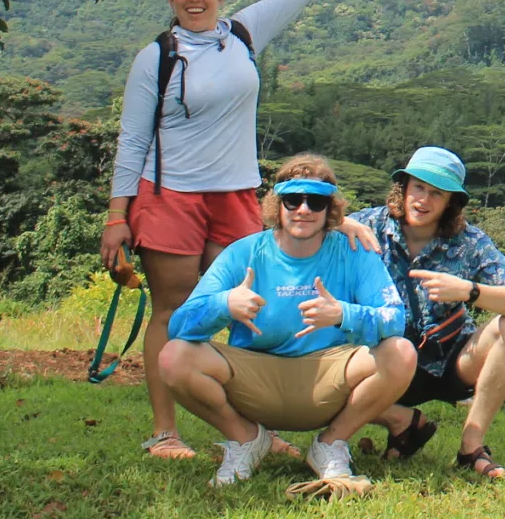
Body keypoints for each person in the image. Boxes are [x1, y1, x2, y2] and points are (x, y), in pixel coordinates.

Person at [100, 0, 386, 460]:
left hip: (234, 193)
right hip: (169, 195)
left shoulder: (243, 35)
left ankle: (254, 430)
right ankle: (165, 433)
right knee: (174, 310)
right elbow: (132, 140)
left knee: (249, 305)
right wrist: (117, 216)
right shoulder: (154, 58)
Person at [161, 155, 413, 491]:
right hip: (254, 378)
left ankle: (330, 446)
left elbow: (395, 319)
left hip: (329, 375)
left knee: (401, 352)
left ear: (331, 208)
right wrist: (225, 304)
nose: (303, 210)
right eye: (293, 200)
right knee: (174, 356)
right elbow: (179, 326)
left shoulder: (353, 251)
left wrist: (342, 315)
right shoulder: (244, 252)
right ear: (277, 205)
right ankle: (245, 440)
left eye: (317, 201)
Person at [357, 146, 505, 479]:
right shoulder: (368, 225)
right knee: (328, 350)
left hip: (451, 360)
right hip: (386, 360)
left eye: (436, 193)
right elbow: (308, 222)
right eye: (419, 188)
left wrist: (469, 291)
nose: (423, 200)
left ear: (450, 202)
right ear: (405, 188)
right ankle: (403, 423)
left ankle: (472, 446)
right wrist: (338, 225)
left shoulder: (470, 242)